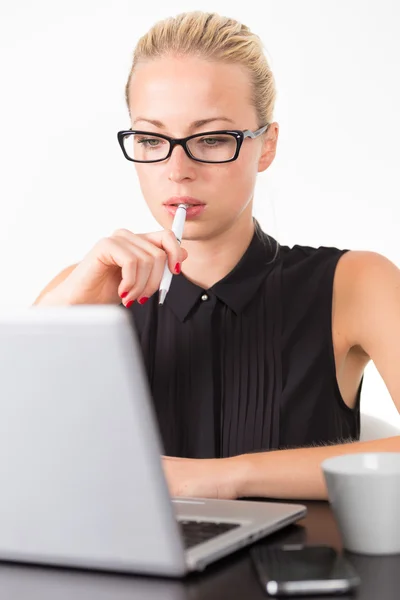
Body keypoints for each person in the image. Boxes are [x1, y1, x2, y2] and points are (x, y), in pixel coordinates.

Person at [34, 11, 400, 501]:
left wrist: (220, 477)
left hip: (293, 576)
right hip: (127, 578)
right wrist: (58, 321)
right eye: (150, 139)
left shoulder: (356, 283)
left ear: (265, 146)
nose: (177, 170)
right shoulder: (84, 287)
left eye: (211, 139)